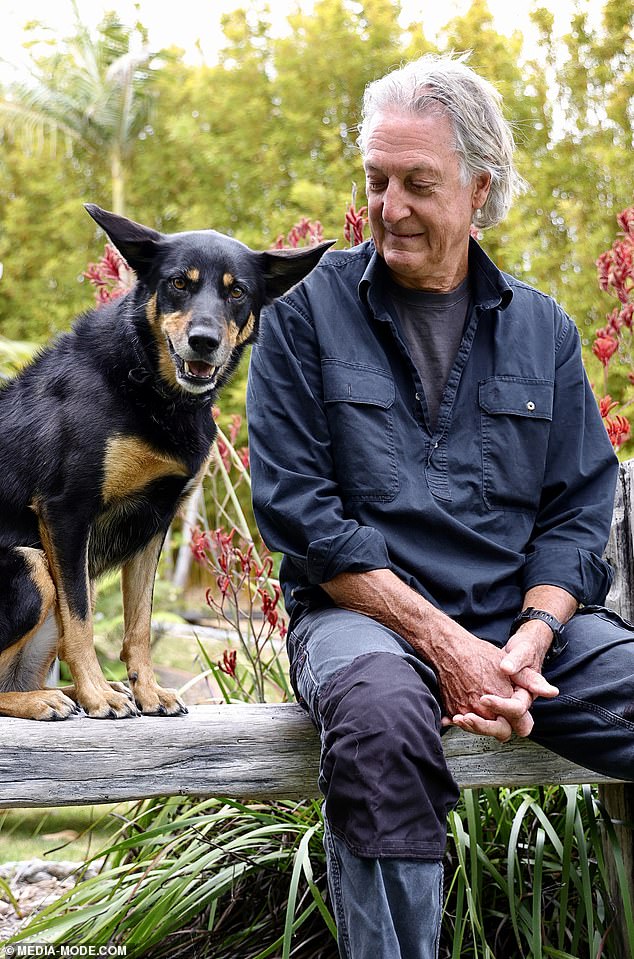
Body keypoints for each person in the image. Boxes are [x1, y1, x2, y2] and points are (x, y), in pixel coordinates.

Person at [246, 53, 634, 958]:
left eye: (418, 183)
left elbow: (579, 512)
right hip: (359, 618)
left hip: (517, 625)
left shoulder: (543, 328)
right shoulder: (304, 314)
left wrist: (532, 633)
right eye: (377, 179)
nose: (389, 206)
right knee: (380, 719)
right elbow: (300, 511)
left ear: (479, 188)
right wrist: (447, 644)